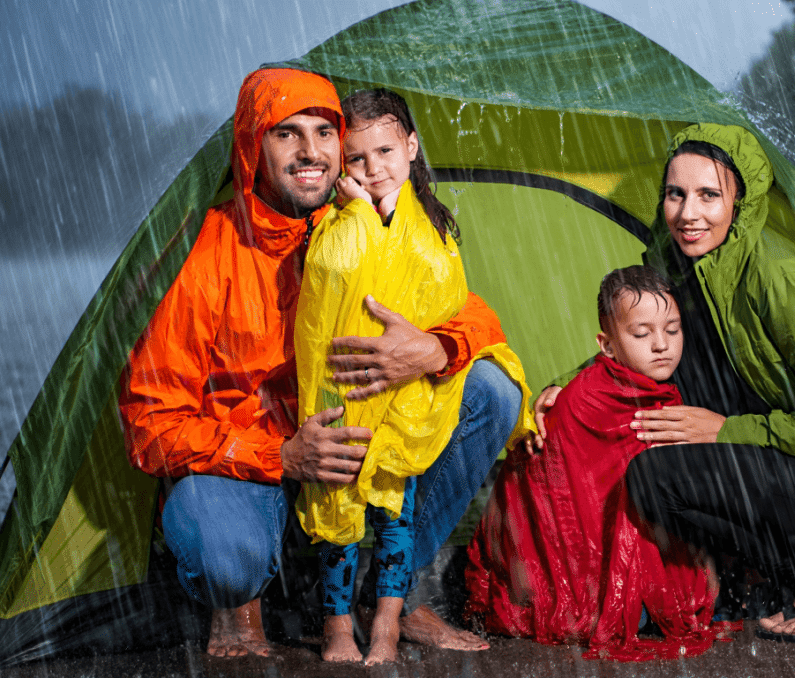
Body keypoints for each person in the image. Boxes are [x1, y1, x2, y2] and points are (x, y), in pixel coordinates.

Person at [119, 67, 521, 658]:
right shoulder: (208, 253)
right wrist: (280, 455)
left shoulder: (370, 218)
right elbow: (148, 423)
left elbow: (473, 313)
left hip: (357, 447)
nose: (311, 152)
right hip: (251, 460)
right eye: (287, 134)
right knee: (223, 553)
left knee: (492, 389)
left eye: (324, 132)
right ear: (254, 145)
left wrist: (437, 348)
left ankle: (391, 594)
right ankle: (239, 601)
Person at [533, 123, 795, 643]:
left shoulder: (784, 282)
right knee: (649, 468)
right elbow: (643, 337)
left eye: (710, 195)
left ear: (741, 202)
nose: (689, 214)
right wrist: (567, 388)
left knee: (656, 479)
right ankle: (783, 572)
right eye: (675, 194)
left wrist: (726, 429)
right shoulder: (682, 265)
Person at [294, 88, 533, 664]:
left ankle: (392, 608)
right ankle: (339, 615)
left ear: (412, 146)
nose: (374, 170)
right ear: (340, 164)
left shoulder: (432, 223)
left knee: (483, 402)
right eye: (358, 158)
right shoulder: (331, 221)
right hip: (344, 391)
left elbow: (457, 303)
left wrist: (434, 347)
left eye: (385, 152)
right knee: (342, 493)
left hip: (408, 396)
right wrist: (359, 214)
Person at [466, 265, 738, 660]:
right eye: (642, 334)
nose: (662, 345)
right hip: (571, 563)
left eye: (673, 330)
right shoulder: (585, 401)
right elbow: (565, 503)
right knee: (634, 615)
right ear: (606, 347)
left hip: (614, 549)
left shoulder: (656, 389)